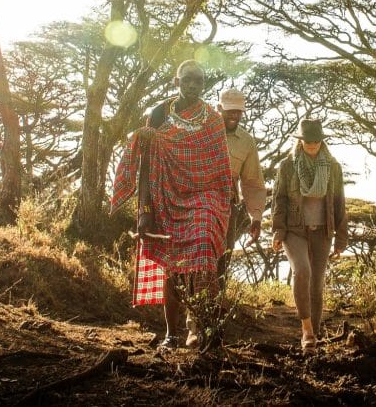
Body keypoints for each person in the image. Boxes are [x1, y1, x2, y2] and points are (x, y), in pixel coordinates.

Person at [111, 60, 234, 350]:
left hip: (206, 198)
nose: (193, 86)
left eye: (199, 81)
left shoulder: (214, 120)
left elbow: (221, 171)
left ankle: (204, 327)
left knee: (204, 248)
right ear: (176, 82)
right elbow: (145, 167)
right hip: (165, 198)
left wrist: (224, 207)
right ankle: (172, 333)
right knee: (172, 267)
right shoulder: (157, 114)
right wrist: (144, 212)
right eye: (188, 80)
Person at [271, 119, 348, 350]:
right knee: (302, 271)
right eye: (308, 140)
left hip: (323, 230)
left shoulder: (333, 167)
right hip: (294, 230)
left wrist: (341, 238)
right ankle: (306, 330)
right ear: (300, 141)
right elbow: (279, 199)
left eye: (316, 140)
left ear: (322, 141)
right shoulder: (287, 166)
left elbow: (339, 202)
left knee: (316, 283)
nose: (312, 144)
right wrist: (278, 230)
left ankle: (314, 333)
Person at [216, 87, 265, 286]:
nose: (234, 115)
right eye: (230, 111)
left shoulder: (246, 142)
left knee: (224, 255)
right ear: (219, 108)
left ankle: (214, 306)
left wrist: (256, 217)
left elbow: (252, 181)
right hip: (197, 203)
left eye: (238, 111)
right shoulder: (203, 131)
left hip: (226, 207)